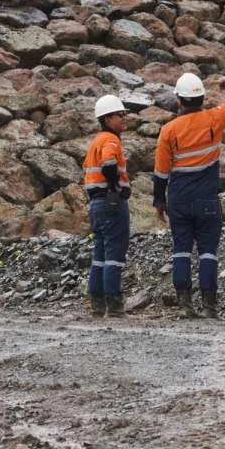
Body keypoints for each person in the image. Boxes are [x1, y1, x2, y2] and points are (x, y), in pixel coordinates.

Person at [153, 72, 225, 319]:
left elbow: (161, 172)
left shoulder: (168, 130)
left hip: (179, 199)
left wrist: (159, 201)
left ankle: (185, 304)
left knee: (181, 249)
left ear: (179, 101)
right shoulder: (214, 118)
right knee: (208, 251)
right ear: (202, 97)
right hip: (207, 199)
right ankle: (210, 306)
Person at [83, 94, 131, 318]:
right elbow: (109, 163)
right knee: (114, 253)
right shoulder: (111, 140)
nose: (124, 119)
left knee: (99, 254)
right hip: (110, 203)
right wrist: (117, 188)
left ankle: (97, 304)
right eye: (120, 115)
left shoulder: (95, 141)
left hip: (96, 204)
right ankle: (114, 304)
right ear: (107, 118)